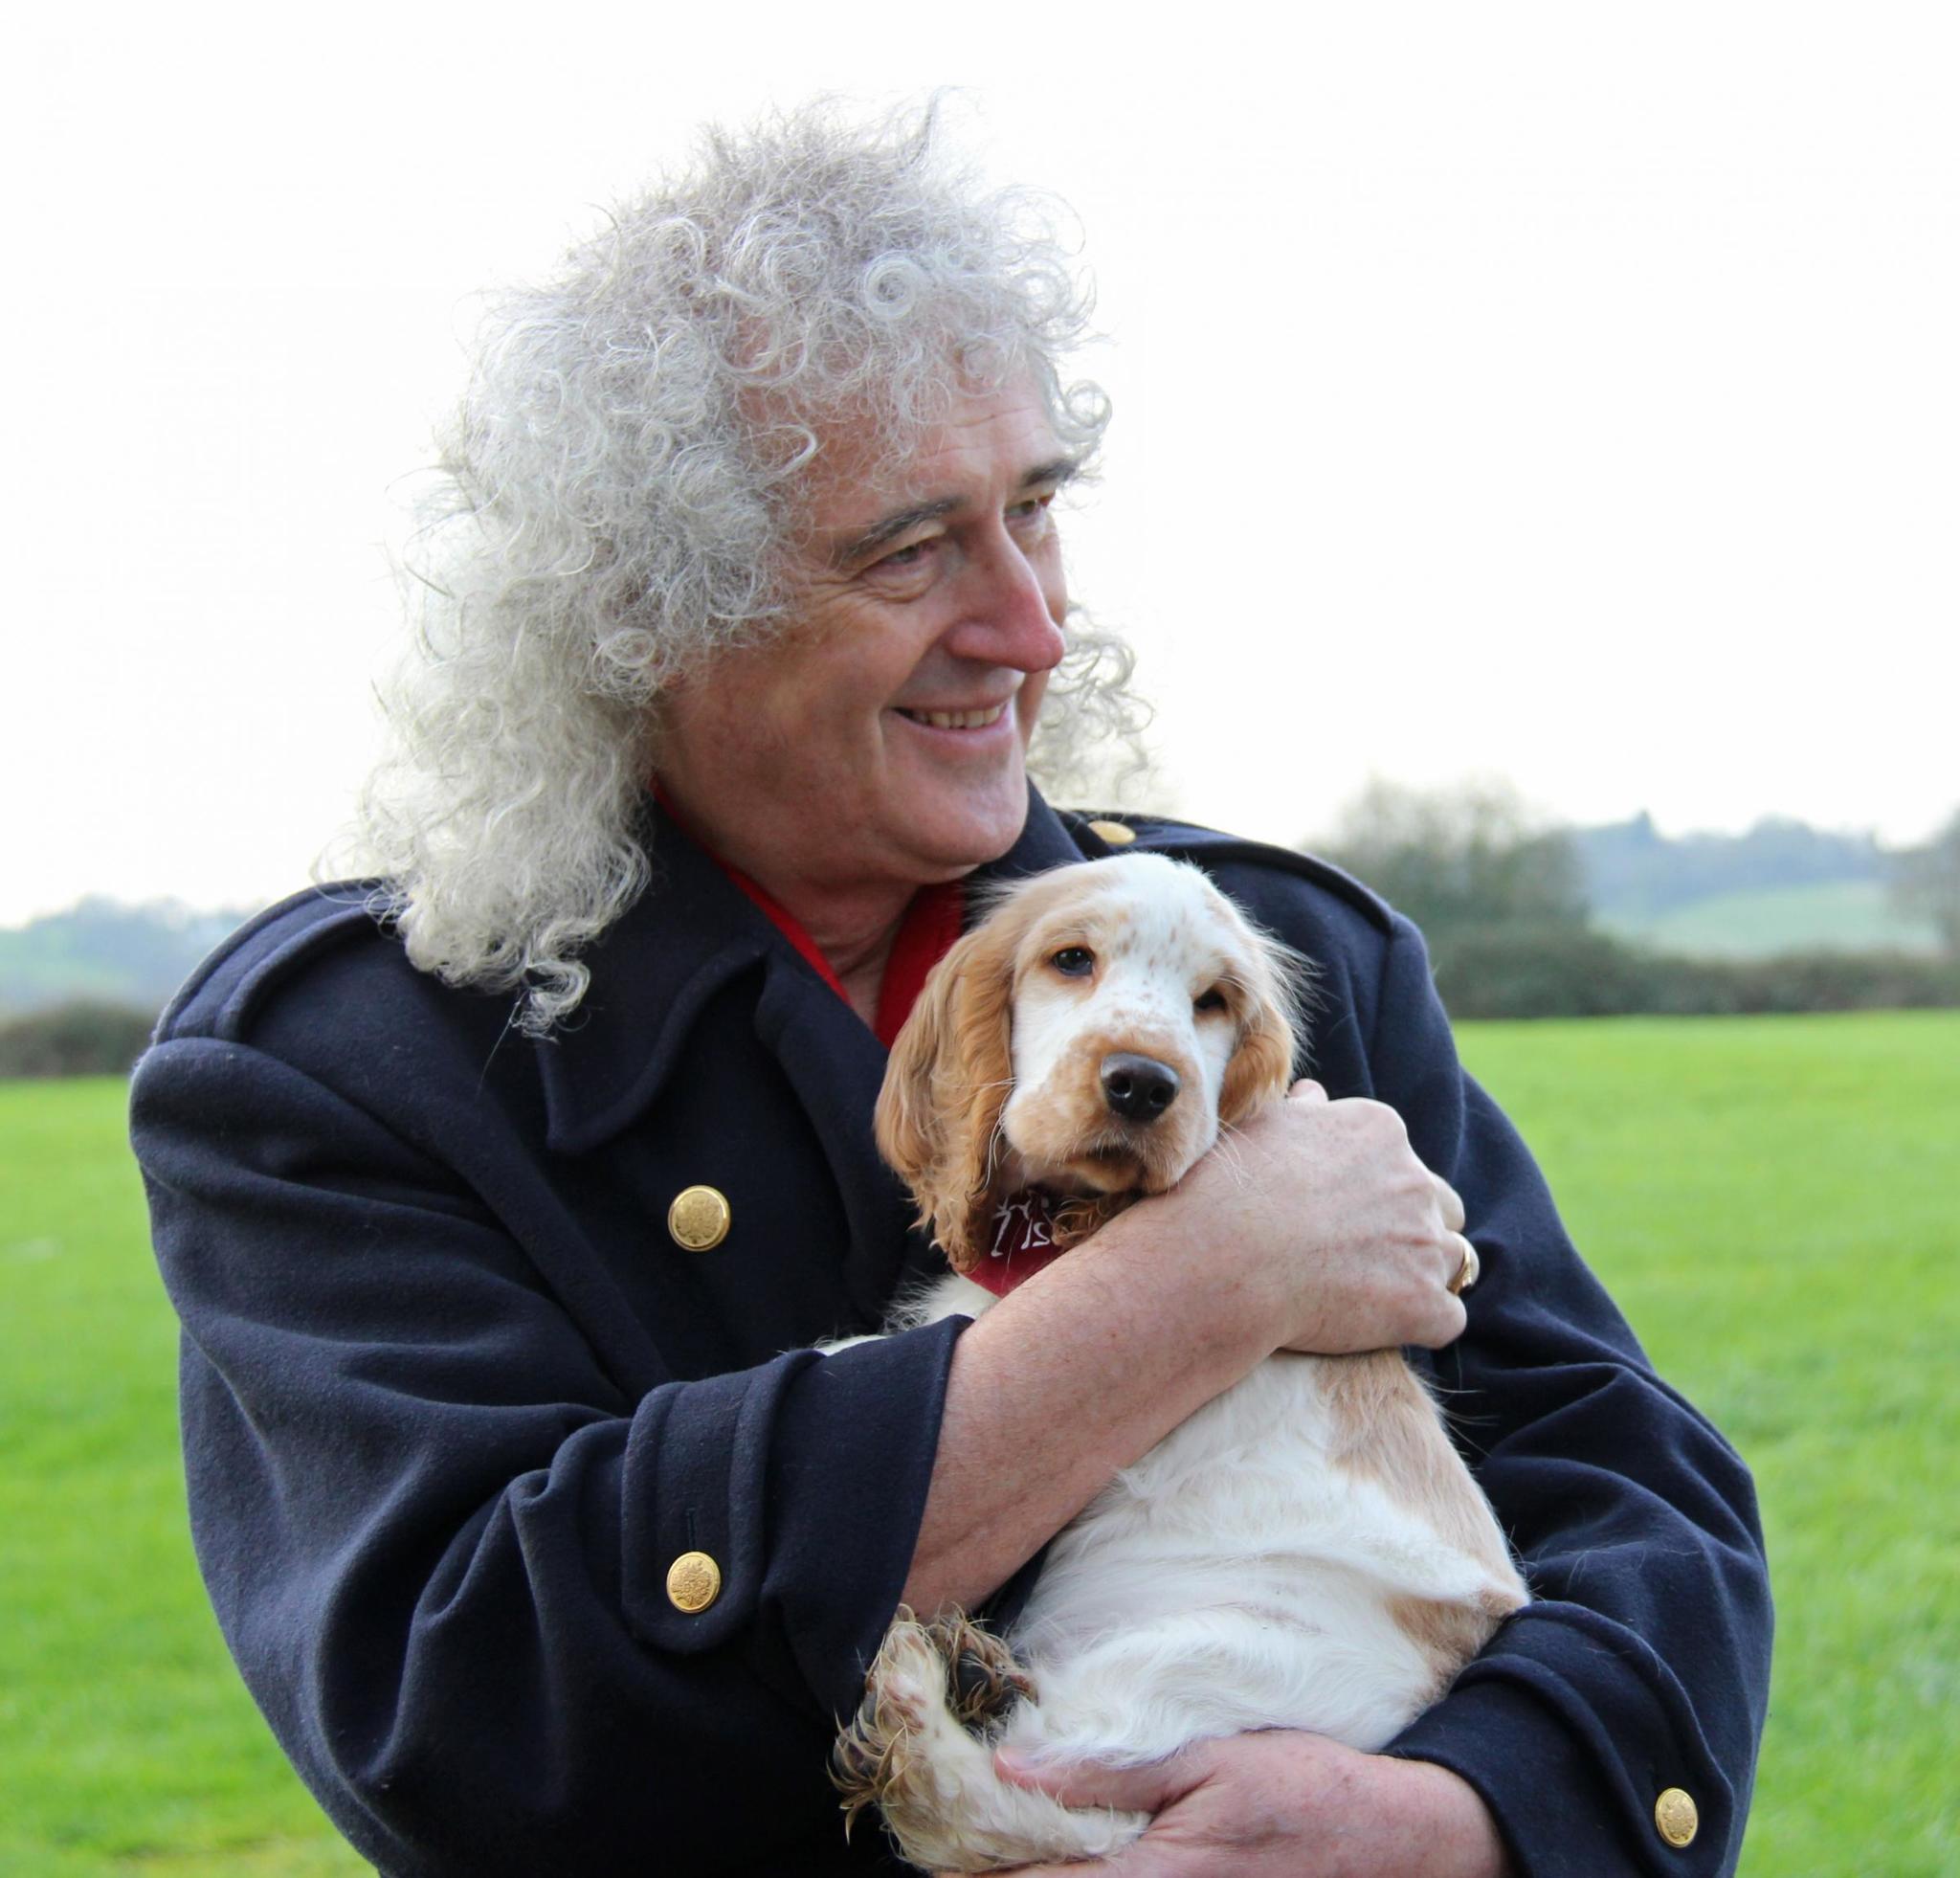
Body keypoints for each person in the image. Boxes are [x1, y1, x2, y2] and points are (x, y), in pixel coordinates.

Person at [131, 102, 1771, 1877]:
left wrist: (1458, 1816)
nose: (1031, 624)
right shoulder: (344, 1068)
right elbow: (478, 1713)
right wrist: (1194, 1289)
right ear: (649, 614)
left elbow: (1637, 1501)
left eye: (1036, 511)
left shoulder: (1276, 967)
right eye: (911, 548)